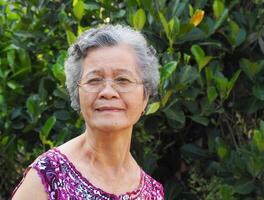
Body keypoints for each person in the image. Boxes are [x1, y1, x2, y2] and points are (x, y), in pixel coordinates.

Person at [12, 24, 164, 200]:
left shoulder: (152, 193)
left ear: (145, 96)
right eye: (94, 80)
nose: (108, 92)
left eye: (123, 80)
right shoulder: (48, 176)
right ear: (77, 93)